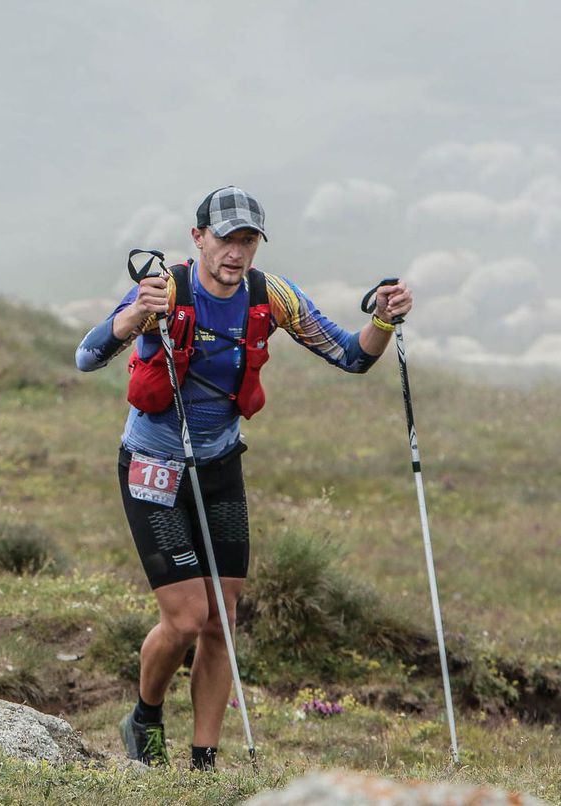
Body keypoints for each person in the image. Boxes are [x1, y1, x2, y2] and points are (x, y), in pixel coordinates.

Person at [75, 187, 412, 770]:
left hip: (220, 468)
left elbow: (353, 356)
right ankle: (145, 715)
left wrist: (383, 318)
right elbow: (86, 356)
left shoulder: (270, 294)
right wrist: (134, 314)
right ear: (198, 237)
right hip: (153, 465)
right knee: (184, 618)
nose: (236, 252)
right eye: (226, 238)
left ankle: (204, 758)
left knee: (222, 620)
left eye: (248, 240)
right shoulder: (166, 288)